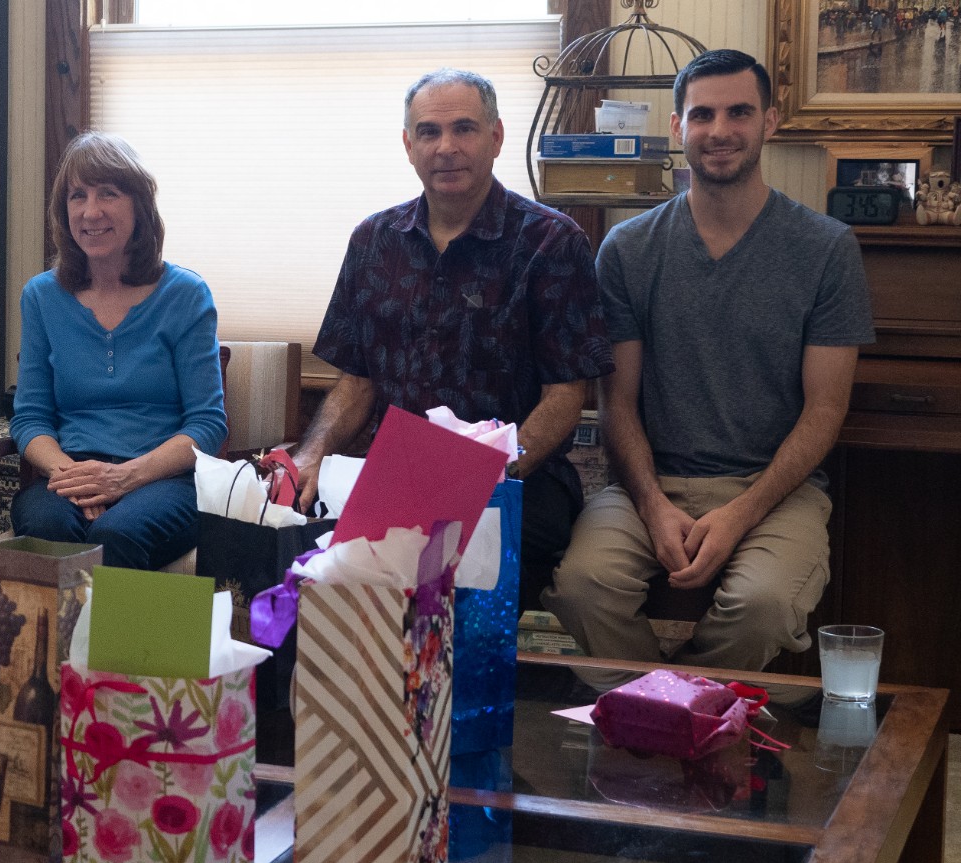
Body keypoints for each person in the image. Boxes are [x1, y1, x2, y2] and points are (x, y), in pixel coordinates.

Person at [543, 50, 871, 681]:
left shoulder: (827, 249)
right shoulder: (627, 249)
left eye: (739, 112)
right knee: (583, 588)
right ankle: (674, 709)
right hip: (648, 483)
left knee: (762, 609)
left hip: (775, 489)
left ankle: (679, 707)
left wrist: (742, 512)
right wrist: (652, 504)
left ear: (769, 121)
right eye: (702, 115)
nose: (720, 131)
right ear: (677, 127)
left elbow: (826, 410)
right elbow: (618, 405)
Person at [290, 69, 613, 604]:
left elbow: (564, 397)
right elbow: (356, 383)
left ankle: (434, 659)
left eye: (464, 128)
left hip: (517, 482)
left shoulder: (552, 242)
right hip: (393, 480)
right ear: (408, 145)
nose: (446, 147)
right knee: (301, 550)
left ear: (496, 137)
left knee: (436, 565)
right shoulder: (373, 241)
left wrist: (488, 472)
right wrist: (312, 454)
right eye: (429, 132)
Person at [7, 131, 226, 569]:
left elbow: (207, 424)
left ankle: (123, 622)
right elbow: (30, 417)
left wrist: (123, 478)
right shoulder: (41, 297)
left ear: (139, 206)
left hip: (163, 479)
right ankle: (61, 623)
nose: (91, 211)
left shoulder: (185, 294)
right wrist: (74, 477)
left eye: (108, 193)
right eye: (78, 196)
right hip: (70, 471)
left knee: (116, 533)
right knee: (46, 525)